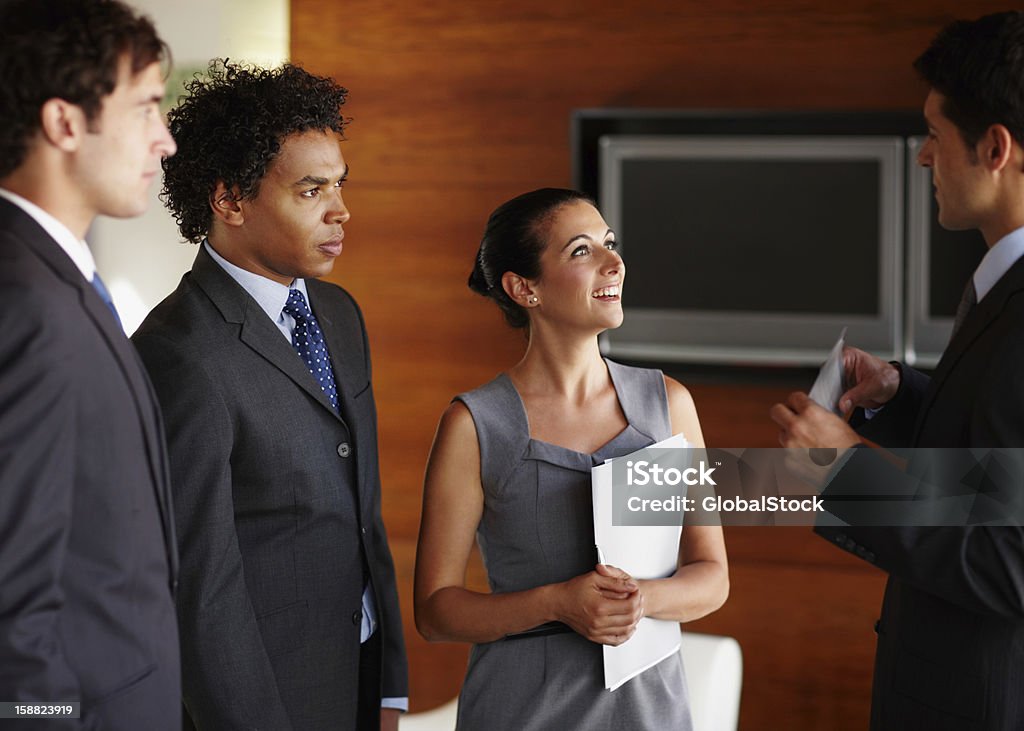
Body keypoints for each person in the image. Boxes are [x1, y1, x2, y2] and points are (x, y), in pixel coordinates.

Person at [131, 61, 408, 730]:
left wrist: (390, 686)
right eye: (312, 190)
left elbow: (365, 518)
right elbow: (199, 587)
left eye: (340, 185)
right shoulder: (178, 353)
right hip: (265, 703)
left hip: (359, 679)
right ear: (229, 200)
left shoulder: (339, 313)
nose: (341, 210)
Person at [770, 11, 1024, 730]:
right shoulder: (1002, 284)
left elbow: (1010, 559)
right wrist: (899, 396)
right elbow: (995, 459)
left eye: (935, 134)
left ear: (996, 147)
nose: (922, 156)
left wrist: (845, 470)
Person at [415, 188, 729, 730]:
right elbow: (436, 612)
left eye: (610, 243)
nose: (615, 262)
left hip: (650, 713)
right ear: (524, 288)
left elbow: (712, 576)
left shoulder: (670, 405)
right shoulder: (473, 424)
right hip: (520, 712)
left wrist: (638, 598)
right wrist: (558, 602)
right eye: (582, 250)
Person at [0, 0, 180, 728]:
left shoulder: (55, 279)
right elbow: (10, 600)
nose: (164, 141)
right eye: (146, 108)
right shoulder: (26, 304)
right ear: (65, 122)